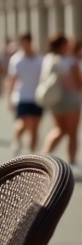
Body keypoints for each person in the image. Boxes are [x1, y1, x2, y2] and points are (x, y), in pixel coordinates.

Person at [41, 35, 80, 166]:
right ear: (63, 45)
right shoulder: (70, 60)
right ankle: (71, 161)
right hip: (70, 98)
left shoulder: (48, 58)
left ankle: (44, 154)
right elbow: (78, 83)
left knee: (59, 129)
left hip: (55, 99)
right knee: (72, 133)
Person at [7, 33, 43, 156]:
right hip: (22, 96)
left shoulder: (39, 59)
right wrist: (9, 98)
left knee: (35, 126)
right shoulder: (16, 59)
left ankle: (31, 153)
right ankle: (17, 139)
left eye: (25, 41)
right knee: (26, 123)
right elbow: (12, 80)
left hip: (37, 97)